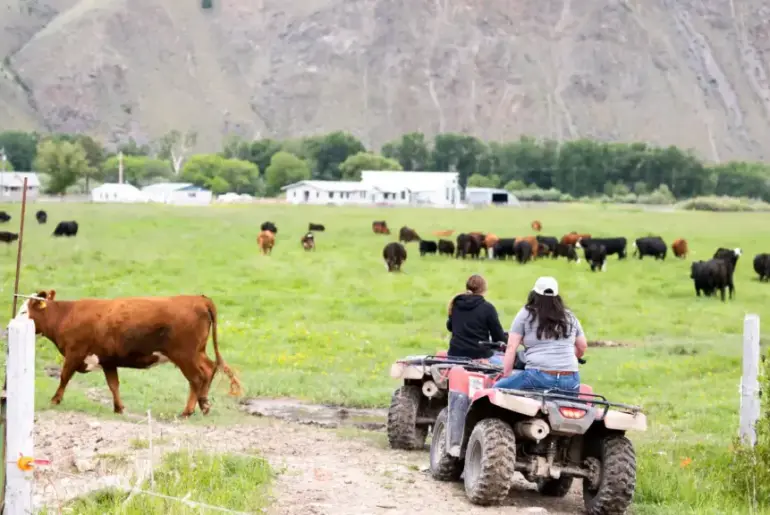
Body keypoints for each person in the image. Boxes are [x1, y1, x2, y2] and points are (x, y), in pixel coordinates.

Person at [494, 276, 587, 393]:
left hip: (537, 377)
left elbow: (511, 347)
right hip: (570, 379)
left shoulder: (526, 313)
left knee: (495, 390)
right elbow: (582, 346)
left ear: (534, 294)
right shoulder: (569, 316)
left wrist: (506, 375)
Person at [446, 274, 507, 365]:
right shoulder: (488, 308)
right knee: (505, 364)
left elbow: (450, 326)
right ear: (484, 289)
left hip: (454, 354)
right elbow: (498, 338)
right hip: (479, 357)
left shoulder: (456, 304)